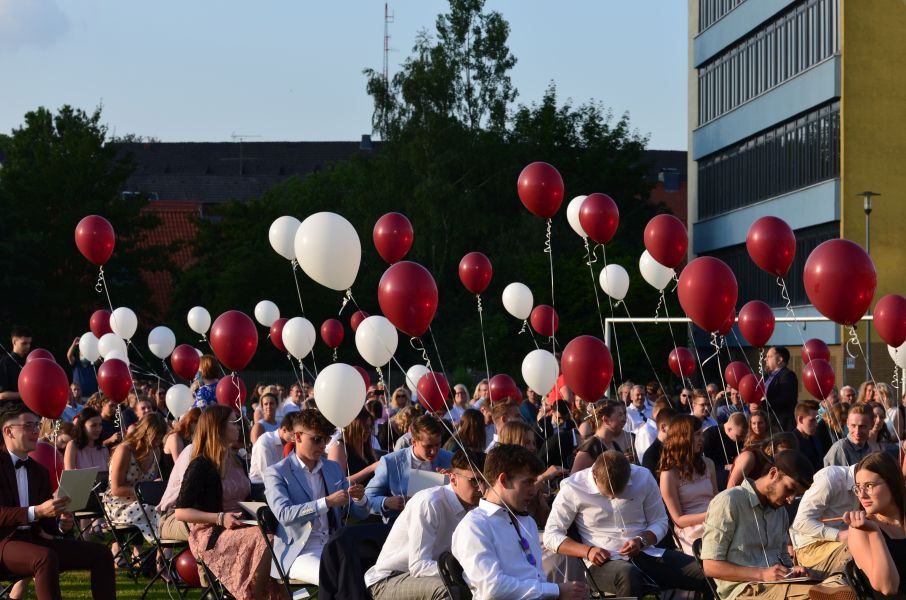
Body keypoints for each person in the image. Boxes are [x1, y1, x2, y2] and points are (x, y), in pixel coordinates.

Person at [545, 450, 708, 598]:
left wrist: (641, 540)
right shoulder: (573, 487)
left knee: (707, 570)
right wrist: (588, 551)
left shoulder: (642, 476)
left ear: (630, 472)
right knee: (628, 575)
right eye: (607, 493)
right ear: (594, 475)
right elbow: (551, 536)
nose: (613, 498)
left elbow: (660, 521)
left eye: (619, 492)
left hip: (646, 554)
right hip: (602, 564)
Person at [0, 401, 115, 599]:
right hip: (4, 541)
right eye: (28, 425)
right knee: (45, 558)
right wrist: (37, 511)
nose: (36, 430)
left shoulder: (40, 471)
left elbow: (47, 526)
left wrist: (61, 524)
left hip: (34, 540)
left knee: (102, 553)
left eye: (37, 425)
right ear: (8, 431)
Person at [452, 444, 587, 600]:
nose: (533, 491)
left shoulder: (527, 521)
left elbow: (536, 578)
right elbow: (493, 588)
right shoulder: (474, 526)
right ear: (503, 480)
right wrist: (556, 591)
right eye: (528, 482)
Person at [175, 405, 280, 598]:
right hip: (211, 532)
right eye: (233, 422)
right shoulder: (201, 465)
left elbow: (247, 497)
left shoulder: (236, 459)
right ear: (218, 428)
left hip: (242, 525)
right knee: (267, 539)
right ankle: (253, 596)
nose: (238, 426)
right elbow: (180, 512)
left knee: (280, 533)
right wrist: (220, 518)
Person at [263, 408, 368, 586]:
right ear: (298, 437)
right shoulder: (277, 472)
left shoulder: (333, 468)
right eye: (317, 439)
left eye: (325, 440)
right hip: (299, 551)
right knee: (336, 580)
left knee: (368, 576)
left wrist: (360, 499)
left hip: (335, 545)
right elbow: (284, 514)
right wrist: (326, 502)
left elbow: (360, 513)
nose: (322, 446)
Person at [365, 449, 487, 599]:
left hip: (429, 576)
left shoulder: (478, 508)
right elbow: (419, 566)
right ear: (453, 479)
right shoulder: (429, 502)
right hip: (388, 580)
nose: (482, 488)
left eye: (486, 481)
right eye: (475, 481)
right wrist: (467, 572)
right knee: (449, 591)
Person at [700, 450, 816, 600]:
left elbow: (783, 558)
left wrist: (792, 571)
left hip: (779, 585)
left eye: (797, 494)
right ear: (773, 473)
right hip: (744, 591)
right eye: (789, 489)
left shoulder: (780, 511)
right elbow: (710, 566)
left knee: (831, 584)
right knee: (816, 595)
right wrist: (762, 574)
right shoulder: (728, 501)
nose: (791, 500)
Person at [836, 452, 906, 597]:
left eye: (869, 486)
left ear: (892, 482)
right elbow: (888, 587)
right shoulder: (860, 529)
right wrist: (874, 533)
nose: (861, 495)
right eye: (858, 487)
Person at [365, 415, 454, 522]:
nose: (434, 451)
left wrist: (454, 482)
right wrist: (385, 502)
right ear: (413, 442)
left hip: (441, 523)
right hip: (402, 524)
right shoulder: (391, 462)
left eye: (438, 444)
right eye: (428, 446)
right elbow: (367, 499)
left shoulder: (450, 459)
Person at [101, 413, 166, 544]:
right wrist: (145, 490)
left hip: (143, 502)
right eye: (155, 439)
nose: (158, 443)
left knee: (168, 507)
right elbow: (116, 489)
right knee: (158, 510)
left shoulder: (156, 452)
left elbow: (149, 482)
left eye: (160, 439)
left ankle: (164, 553)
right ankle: (163, 549)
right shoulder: (124, 450)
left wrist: (155, 487)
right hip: (118, 505)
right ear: (144, 434)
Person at [659, 414, 718, 554]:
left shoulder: (708, 464)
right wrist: (710, 515)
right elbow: (679, 520)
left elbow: (717, 498)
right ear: (683, 438)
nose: (702, 439)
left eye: (701, 434)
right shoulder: (668, 475)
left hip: (715, 518)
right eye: (697, 435)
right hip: (691, 528)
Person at [789, 463, 857, 578]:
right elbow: (801, 523)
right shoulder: (831, 477)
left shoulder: (863, 483)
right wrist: (840, 535)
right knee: (860, 545)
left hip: (836, 545)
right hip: (810, 549)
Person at [571, 400, 633, 473]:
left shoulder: (614, 444)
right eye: (620, 415)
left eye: (624, 414)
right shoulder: (590, 448)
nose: (624, 419)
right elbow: (574, 478)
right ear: (606, 420)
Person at [727, 432, 799, 488]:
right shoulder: (749, 457)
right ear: (774, 446)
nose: (786, 457)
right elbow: (731, 489)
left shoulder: (777, 463)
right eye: (784, 452)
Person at [327, 407, 378, 484]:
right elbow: (337, 483)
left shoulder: (366, 447)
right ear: (353, 427)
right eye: (364, 427)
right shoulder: (338, 447)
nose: (369, 430)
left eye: (370, 426)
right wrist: (371, 468)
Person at [249, 412, 298, 485]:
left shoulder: (290, 443)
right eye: (294, 435)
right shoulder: (265, 442)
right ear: (284, 430)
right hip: (260, 484)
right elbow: (268, 476)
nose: (297, 438)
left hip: (278, 482)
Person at [703, 412, 747, 490]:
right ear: (729, 429)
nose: (742, 439)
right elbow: (704, 463)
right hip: (714, 476)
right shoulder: (709, 435)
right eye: (739, 436)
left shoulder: (738, 437)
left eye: (743, 437)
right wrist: (724, 467)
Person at [63, 407, 109, 472]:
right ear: (83, 427)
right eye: (93, 425)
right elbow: (69, 474)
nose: (98, 429)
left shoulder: (104, 449)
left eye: (100, 425)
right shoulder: (73, 446)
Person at [764, 345, 798, 429]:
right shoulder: (766, 377)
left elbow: (786, 401)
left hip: (780, 425)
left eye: (769, 356)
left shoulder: (787, 375)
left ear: (779, 360)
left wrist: (762, 403)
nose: (765, 359)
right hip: (766, 423)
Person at [161, 407, 200, 480]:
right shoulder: (175, 438)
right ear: (191, 422)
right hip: (170, 480)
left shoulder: (191, 438)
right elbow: (180, 467)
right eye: (200, 424)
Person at [642, 406, 677, 477]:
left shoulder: (676, 448)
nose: (678, 430)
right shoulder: (650, 456)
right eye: (675, 427)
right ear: (663, 427)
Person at [792, 400, 827, 471]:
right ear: (800, 419)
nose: (816, 424)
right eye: (812, 420)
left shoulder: (816, 438)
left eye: (817, 419)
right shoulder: (792, 443)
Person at [0, 326, 30, 402]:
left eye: (29, 343)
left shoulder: (30, 361)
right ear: (14, 342)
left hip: (32, 405)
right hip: (11, 407)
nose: (28, 346)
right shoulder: (4, 363)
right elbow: (2, 395)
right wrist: (27, 395)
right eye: (24, 343)